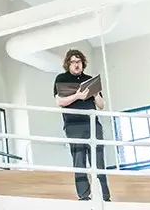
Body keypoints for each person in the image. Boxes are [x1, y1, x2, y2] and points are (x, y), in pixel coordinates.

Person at [54, 49, 109, 201]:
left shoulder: (90, 79)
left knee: (98, 161)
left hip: (92, 124)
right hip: (73, 125)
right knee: (79, 161)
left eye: (78, 61)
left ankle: (104, 196)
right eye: (72, 62)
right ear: (68, 64)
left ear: (82, 63)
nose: (76, 64)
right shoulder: (62, 78)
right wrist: (77, 96)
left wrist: (95, 93)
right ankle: (84, 197)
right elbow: (59, 101)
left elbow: (101, 105)